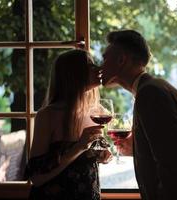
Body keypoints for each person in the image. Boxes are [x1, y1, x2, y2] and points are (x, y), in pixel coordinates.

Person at [101, 30, 177, 200]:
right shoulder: (156, 87)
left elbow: (172, 167)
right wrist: (138, 147)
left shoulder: (150, 94)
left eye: (104, 58)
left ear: (122, 60)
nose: (100, 66)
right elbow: (170, 150)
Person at [26, 49, 112, 200]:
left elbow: (86, 161)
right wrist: (79, 147)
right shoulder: (47, 115)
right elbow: (36, 177)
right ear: (73, 74)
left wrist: (102, 156)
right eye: (90, 65)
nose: (98, 69)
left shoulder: (98, 112)